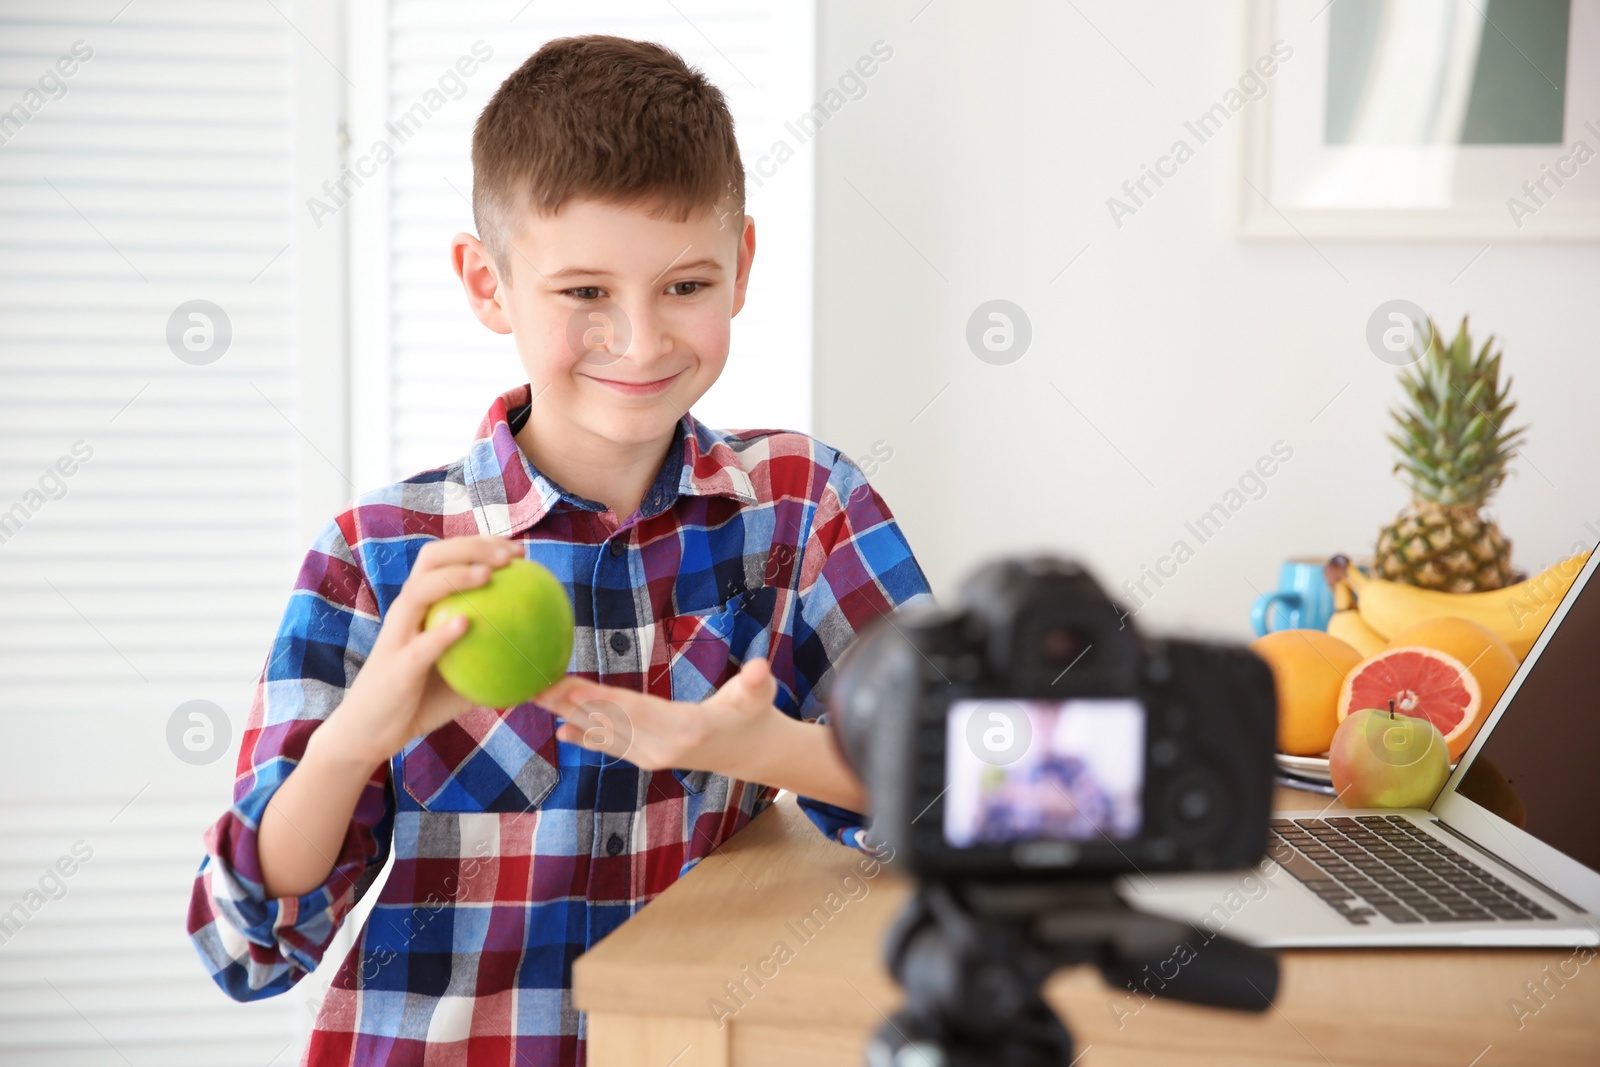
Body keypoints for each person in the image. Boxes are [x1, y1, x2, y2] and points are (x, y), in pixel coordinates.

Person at [186, 36, 931, 1066]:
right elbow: (244, 945)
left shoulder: (804, 509)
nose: (640, 340)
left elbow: (977, 794)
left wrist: (756, 749)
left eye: (685, 285)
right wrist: (357, 736)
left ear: (742, 268)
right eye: (584, 292)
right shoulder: (378, 556)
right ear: (487, 284)